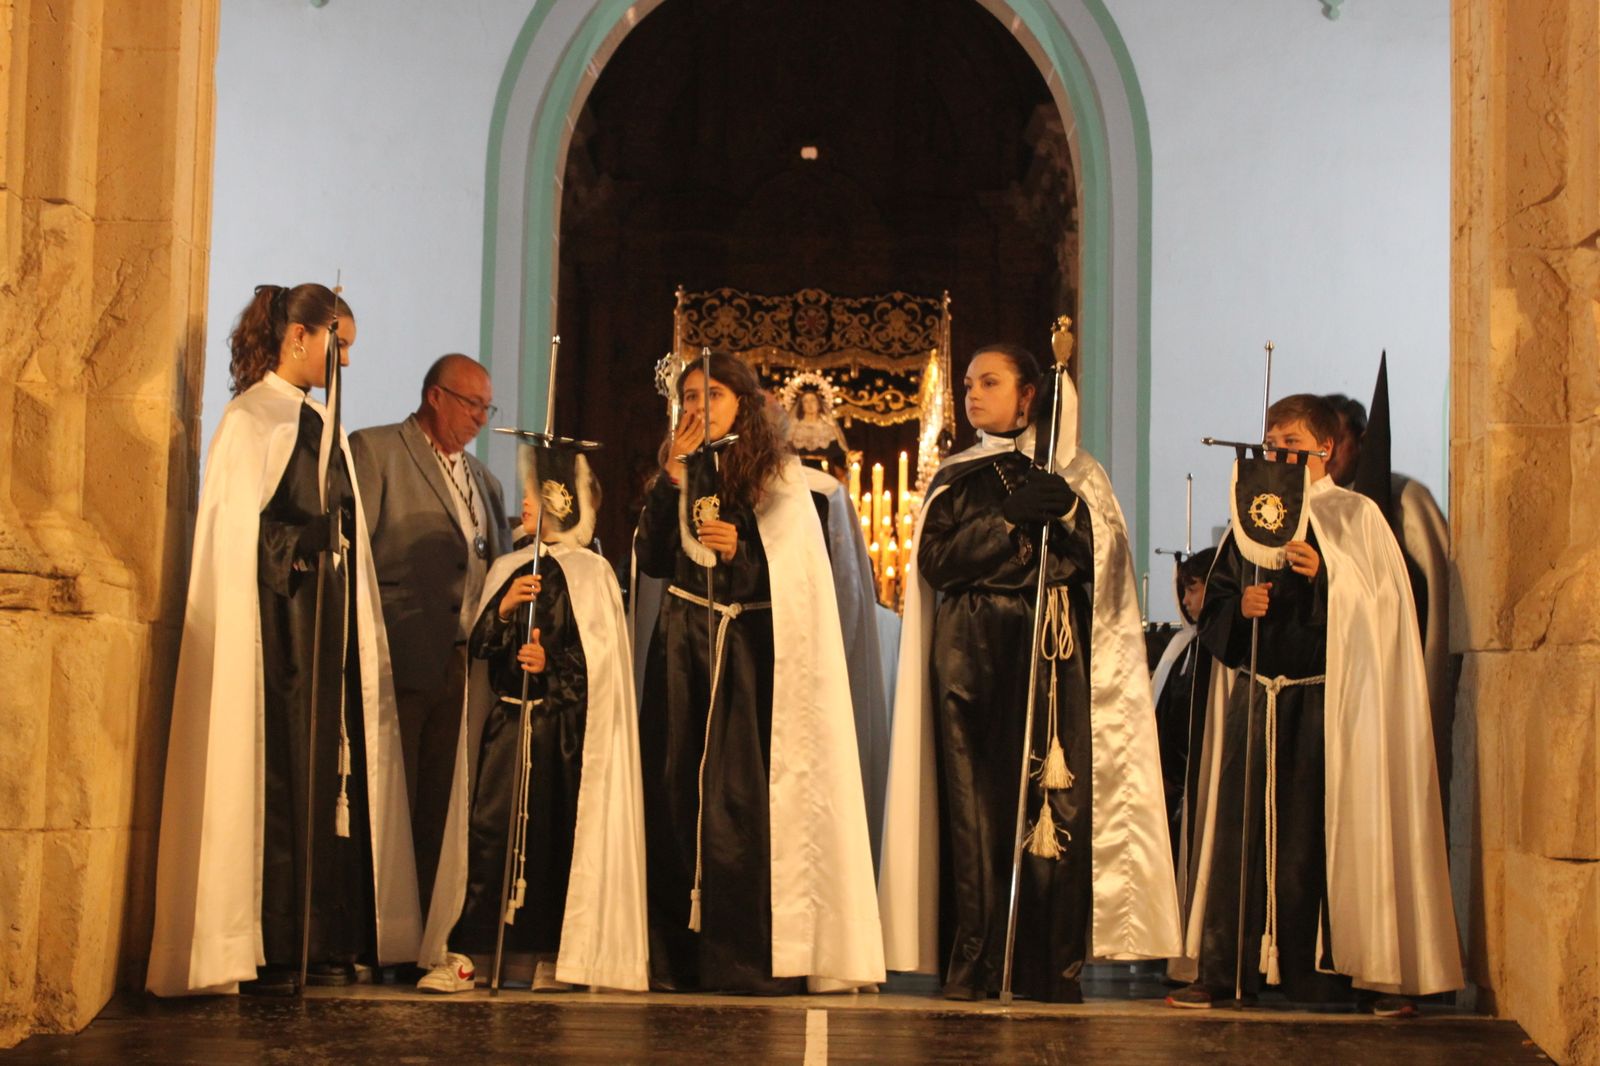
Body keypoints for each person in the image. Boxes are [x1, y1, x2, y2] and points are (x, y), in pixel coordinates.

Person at [878, 344, 1181, 1003]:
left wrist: (1069, 516)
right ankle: (975, 961)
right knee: (972, 811)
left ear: (1029, 395)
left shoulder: (1078, 475)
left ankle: (1048, 966)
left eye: (989, 382)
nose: (973, 394)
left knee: (1055, 808)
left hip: (1051, 656)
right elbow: (939, 561)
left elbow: (1102, 566)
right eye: (967, 384)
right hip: (969, 660)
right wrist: (1007, 521)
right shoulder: (957, 478)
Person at [147, 284, 420, 996]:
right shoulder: (252, 420)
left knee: (325, 781)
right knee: (280, 782)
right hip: (276, 640)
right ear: (298, 335)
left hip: (324, 633)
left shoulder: (317, 422)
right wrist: (303, 543)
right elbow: (244, 533)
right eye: (340, 342)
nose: (346, 361)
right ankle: (267, 938)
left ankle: (322, 935)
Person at [1168, 394, 1461, 1015]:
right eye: (1271, 444)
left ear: (1325, 451)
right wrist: (1235, 610)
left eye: (1291, 445)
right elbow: (1217, 604)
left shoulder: (1356, 517)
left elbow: (1383, 608)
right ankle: (1227, 970)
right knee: (1238, 833)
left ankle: (1330, 974)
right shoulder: (1253, 518)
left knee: (1314, 839)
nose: (1277, 455)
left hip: (1325, 704)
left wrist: (1328, 576)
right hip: (1256, 701)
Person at [634, 352, 884, 994]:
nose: (696, 408)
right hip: (681, 650)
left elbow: (795, 581)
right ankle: (673, 956)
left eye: (710, 395)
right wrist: (669, 480)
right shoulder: (680, 469)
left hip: (745, 656)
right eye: (688, 397)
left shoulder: (779, 479)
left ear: (741, 404)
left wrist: (739, 552)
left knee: (737, 803)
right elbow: (654, 560)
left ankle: (739, 957)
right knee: (672, 792)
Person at [416, 443, 648, 993]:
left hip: (559, 736)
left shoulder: (592, 576)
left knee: (550, 841)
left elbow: (598, 671)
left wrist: (550, 664)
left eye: (533, 495)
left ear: (563, 503)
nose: (521, 503)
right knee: (489, 835)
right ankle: (472, 952)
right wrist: (502, 608)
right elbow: (481, 647)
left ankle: (551, 955)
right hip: (506, 728)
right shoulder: (509, 565)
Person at [351, 355, 512, 918]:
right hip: (402, 650)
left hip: (464, 662)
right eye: (471, 404)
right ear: (435, 396)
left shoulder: (484, 481)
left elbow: (497, 565)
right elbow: (357, 558)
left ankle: (421, 929)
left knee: (440, 809)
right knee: (390, 798)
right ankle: (373, 926)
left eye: (486, 408)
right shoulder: (376, 451)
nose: (479, 419)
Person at [1324, 390, 1456, 815]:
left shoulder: (1405, 499)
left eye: (1337, 441)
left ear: (1361, 440)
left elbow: (1431, 590)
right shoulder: (1315, 508)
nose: (1327, 455)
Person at [1150, 546, 1218, 893]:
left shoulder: (1220, 654)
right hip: (1170, 783)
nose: (1186, 601)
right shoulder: (1180, 645)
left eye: (1193, 589)